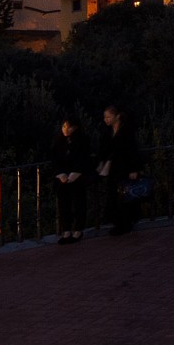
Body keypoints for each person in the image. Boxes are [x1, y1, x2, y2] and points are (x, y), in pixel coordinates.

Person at [96, 104, 144, 236]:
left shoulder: (126, 130)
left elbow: (132, 150)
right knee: (114, 195)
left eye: (108, 117)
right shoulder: (107, 132)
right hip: (113, 169)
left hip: (124, 168)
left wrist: (134, 169)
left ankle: (126, 223)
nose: (106, 119)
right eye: (105, 117)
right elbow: (104, 149)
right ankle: (118, 223)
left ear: (117, 117)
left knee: (125, 195)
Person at [49, 118, 90, 244]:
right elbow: (54, 159)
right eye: (64, 127)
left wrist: (77, 172)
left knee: (79, 203)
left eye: (69, 127)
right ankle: (66, 230)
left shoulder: (82, 140)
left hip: (77, 177)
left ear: (75, 128)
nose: (66, 130)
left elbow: (85, 157)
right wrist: (60, 174)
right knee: (63, 204)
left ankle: (78, 229)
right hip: (63, 178)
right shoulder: (58, 141)